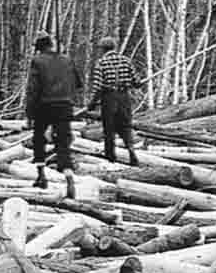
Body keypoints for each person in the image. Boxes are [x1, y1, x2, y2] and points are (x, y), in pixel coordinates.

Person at [24, 33, 81, 188]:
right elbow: (78, 83)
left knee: (39, 139)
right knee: (63, 141)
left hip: (44, 106)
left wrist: (29, 114)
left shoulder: (37, 61)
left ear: (39, 48)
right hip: (64, 105)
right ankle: (68, 173)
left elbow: (33, 89)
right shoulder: (66, 59)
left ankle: (41, 174)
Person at [87, 35, 141, 166]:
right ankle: (131, 151)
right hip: (124, 98)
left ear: (103, 49)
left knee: (109, 129)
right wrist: (135, 84)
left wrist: (92, 103)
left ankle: (111, 158)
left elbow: (98, 86)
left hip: (109, 98)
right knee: (126, 127)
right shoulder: (126, 61)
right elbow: (137, 81)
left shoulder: (102, 63)